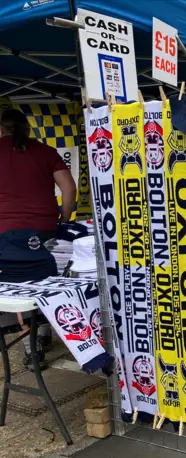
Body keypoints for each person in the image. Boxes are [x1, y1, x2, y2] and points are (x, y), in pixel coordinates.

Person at [0, 109, 76, 370]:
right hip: (42, 230)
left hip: (3, 232)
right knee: (41, 281)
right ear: (27, 129)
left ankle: (32, 346)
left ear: (1, 130)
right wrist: (64, 218)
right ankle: (44, 331)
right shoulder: (45, 151)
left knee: (15, 286)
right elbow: (68, 187)